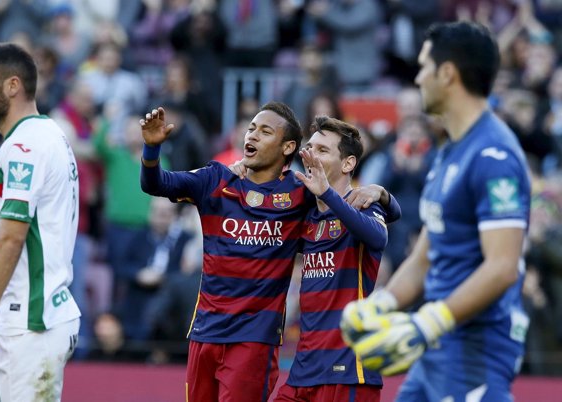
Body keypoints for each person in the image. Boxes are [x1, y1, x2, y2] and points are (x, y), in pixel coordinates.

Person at [140, 101, 397, 401]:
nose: (252, 136)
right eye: (250, 129)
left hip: (257, 342)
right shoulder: (216, 180)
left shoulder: (302, 195)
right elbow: (155, 183)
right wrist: (152, 151)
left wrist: (382, 194)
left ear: (287, 146)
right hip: (206, 333)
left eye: (264, 131)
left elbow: (373, 226)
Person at [340, 21, 531, 402]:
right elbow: (426, 256)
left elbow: (502, 267)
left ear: (447, 74)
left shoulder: (495, 155)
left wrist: (430, 321)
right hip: (438, 345)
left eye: (425, 66)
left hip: (476, 346)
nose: (418, 77)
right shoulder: (448, 151)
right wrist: (384, 303)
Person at [0, 43, 81, 401]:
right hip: (21, 321)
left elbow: (11, 238)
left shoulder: (25, 148)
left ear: (12, 86)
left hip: (32, 326)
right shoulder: (49, 134)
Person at [274, 116, 392, 401]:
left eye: (323, 150)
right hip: (304, 368)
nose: (311, 155)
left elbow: (378, 238)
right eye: (310, 147)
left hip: (349, 369)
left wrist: (378, 194)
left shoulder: (364, 204)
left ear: (348, 164)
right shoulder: (308, 216)